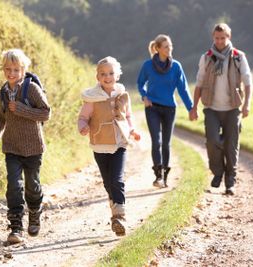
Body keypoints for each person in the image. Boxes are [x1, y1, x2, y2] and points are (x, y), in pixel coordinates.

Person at [0, 48, 51, 244]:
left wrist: (21, 109)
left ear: (23, 69)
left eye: (15, 69)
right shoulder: (3, 92)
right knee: (14, 186)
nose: (11, 73)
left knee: (32, 185)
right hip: (11, 147)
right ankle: (16, 228)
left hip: (33, 148)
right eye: (7, 69)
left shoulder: (31, 89)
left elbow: (45, 113)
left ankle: (35, 212)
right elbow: (1, 119)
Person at [78, 56, 141, 236]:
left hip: (119, 143)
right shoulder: (92, 99)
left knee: (117, 179)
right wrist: (83, 127)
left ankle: (119, 216)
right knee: (108, 182)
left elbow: (128, 116)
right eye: (103, 74)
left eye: (111, 73)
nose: (108, 77)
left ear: (118, 75)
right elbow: (83, 118)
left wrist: (132, 130)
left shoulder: (122, 95)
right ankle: (115, 209)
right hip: (99, 145)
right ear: (98, 77)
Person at [189, 23, 253, 195]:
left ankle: (230, 182)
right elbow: (199, 83)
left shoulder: (238, 57)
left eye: (223, 38)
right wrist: (194, 107)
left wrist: (247, 104)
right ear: (213, 37)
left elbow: (248, 82)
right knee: (212, 141)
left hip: (232, 108)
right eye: (216, 38)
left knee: (231, 146)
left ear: (228, 37)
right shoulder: (207, 57)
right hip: (211, 108)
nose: (219, 41)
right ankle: (218, 172)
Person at [137, 34, 193, 188]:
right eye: (166, 46)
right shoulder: (147, 65)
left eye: (171, 46)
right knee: (157, 141)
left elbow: (183, 89)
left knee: (166, 144)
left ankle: (165, 177)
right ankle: (158, 176)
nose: (170, 49)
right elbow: (140, 83)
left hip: (169, 109)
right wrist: (144, 97)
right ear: (158, 49)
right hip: (152, 108)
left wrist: (191, 108)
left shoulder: (176, 66)